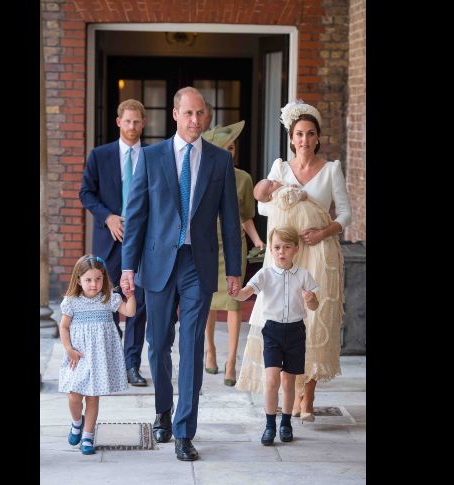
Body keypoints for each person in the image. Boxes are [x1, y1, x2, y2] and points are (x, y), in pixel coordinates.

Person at [120, 86, 242, 461]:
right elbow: (136, 214)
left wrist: (235, 269)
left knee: (191, 347)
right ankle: (162, 411)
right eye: (188, 114)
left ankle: (185, 431)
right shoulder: (152, 157)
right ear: (175, 115)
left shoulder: (220, 161)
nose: (195, 121)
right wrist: (127, 266)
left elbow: (231, 220)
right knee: (158, 345)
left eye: (200, 114)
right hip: (156, 264)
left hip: (197, 265)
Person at [235, 99, 352, 423]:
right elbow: (262, 204)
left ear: (317, 137)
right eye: (299, 134)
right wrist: (274, 191)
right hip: (287, 253)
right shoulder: (280, 168)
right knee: (285, 318)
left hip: (319, 253)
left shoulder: (331, 170)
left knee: (315, 321)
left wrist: (325, 230)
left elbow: (345, 213)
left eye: (310, 134)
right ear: (292, 137)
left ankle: (308, 396)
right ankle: (290, 391)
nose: (304, 139)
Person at [79, 99, 149, 386]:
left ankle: (132, 364)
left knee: (137, 302)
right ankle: (113, 358)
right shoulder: (100, 155)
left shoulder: (152, 156)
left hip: (143, 242)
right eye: (127, 121)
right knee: (107, 300)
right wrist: (107, 217)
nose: (132, 126)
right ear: (118, 121)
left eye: (137, 121)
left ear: (144, 123)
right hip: (109, 242)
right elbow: (86, 193)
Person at [233, 226, 318, 445]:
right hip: (272, 331)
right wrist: (237, 292)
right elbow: (246, 293)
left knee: (288, 382)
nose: (282, 252)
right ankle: (270, 425)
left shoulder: (303, 275)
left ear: (295, 249)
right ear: (271, 249)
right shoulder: (266, 274)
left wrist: (310, 300)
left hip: (296, 332)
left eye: (287, 247)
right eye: (277, 247)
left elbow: (315, 304)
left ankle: (286, 423)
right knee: (271, 380)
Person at [200, 120, 265, 386]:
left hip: (234, 247)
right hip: (207, 246)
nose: (229, 152)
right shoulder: (202, 175)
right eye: (224, 148)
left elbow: (247, 216)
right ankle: (211, 350)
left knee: (235, 301)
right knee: (209, 302)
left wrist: (259, 242)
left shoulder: (244, 179)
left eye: (232, 147)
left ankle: (231, 362)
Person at [58, 254, 136, 455]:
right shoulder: (72, 302)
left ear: (104, 278)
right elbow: (64, 327)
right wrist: (69, 350)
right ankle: (77, 422)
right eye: (88, 280)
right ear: (79, 280)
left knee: (93, 397)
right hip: (79, 355)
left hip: (100, 357)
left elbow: (129, 312)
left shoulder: (108, 297)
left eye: (98, 279)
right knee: (74, 394)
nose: (94, 284)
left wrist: (131, 295)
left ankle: (88, 435)